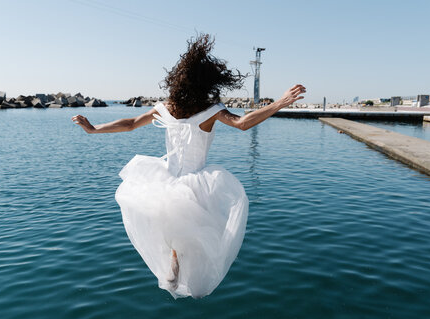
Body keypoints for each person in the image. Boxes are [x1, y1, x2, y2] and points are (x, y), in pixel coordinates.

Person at [73, 34, 305, 298]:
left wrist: (94, 129)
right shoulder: (211, 109)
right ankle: (181, 270)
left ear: (178, 80)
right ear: (208, 82)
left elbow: (129, 124)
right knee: (198, 231)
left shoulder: (167, 107)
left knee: (172, 226)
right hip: (197, 182)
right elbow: (243, 124)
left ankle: (174, 267)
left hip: (166, 181)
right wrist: (279, 103)